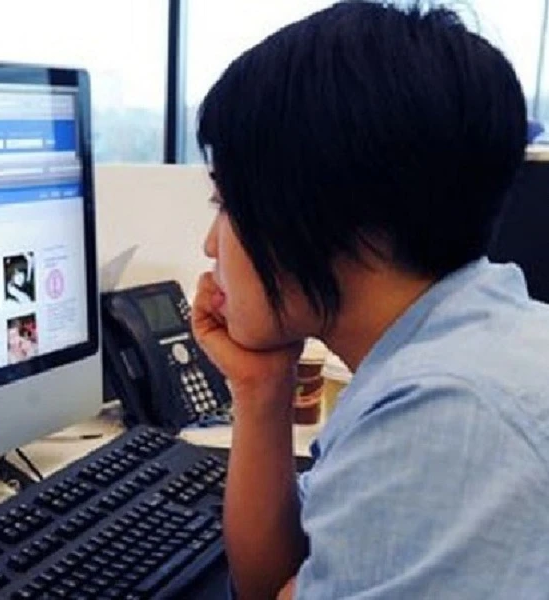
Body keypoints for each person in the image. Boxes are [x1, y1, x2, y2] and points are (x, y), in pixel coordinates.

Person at [191, 2, 549, 598]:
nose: (210, 244)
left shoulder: (447, 415)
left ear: (325, 211)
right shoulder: (471, 343)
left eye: (226, 204)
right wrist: (261, 390)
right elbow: (273, 583)